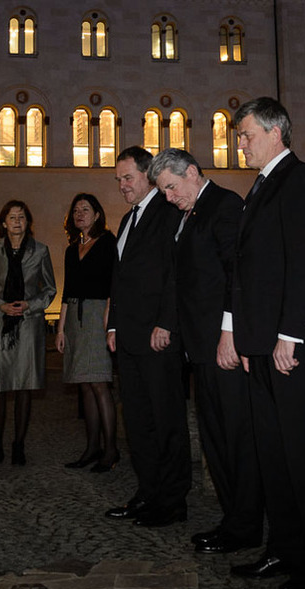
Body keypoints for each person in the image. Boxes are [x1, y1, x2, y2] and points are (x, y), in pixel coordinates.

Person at [227, 97, 305, 589]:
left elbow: (302, 262)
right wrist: (250, 341)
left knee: (303, 452)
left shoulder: (300, 179)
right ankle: (285, 548)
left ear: (276, 131)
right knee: (273, 452)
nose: (240, 143)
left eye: (246, 134)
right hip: (264, 344)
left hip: (293, 342)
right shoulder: (260, 186)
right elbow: (251, 273)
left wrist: (288, 336)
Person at [148, 148, 263, 554]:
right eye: (163, 191)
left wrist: (229, 333)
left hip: (222, 344)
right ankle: (232, 519)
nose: (168, 197)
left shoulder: (225, 204)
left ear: (193, 173)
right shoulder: (189, 213)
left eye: (171, 187)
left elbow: (237, 273)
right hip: (199, 347)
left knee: (235, 436)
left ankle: (246, 524)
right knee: (215, 438)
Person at [103, 146, 190, 528]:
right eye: (118, 180)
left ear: (148, 175)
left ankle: (172, 501)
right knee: (137, 422)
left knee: (166, 420)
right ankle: (148, 492)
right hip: (129, 340)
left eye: (128, 178)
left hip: (158, 338)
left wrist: (167, 323)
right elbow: (120, 280)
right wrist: (113, 326)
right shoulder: (126, 221)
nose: (122, 186)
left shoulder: (167, 212)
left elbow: (176, 274)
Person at [0, 200, 56, 466]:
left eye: (21, 217)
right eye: (12, 217)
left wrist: (29, 306)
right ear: (3, 223)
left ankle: (18, 445)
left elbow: (49, 290)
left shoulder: (41, 251)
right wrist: (1, 306)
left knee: (24, 385)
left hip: (28, 324)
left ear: (28, 222)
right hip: (0, 325)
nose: (17, 221)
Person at [55, 193, 119, 472]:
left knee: (100, 384)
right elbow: (68, 291)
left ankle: (111, 449)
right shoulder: (71, 249)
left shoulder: (107, 242)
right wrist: (60, 329)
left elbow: (113, 283)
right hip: (75, 318)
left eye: (86, 209)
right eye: (76, 209)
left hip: (98, 316)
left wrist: (109, 316)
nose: (80, 213)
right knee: (84, 385)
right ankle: (92, 447)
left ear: (97, 214)